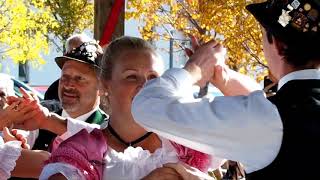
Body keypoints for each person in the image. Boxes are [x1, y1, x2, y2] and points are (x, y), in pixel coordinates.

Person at [131, 0, 320, 179]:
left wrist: (193, 70)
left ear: (278, 45)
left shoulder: (269, 118)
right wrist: (222, 76)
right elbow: (262, 104)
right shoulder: (278, 113)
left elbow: (147, 107)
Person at [12, 36, 219, 179]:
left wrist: (221, 76)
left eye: (153, 78)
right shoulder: (80, 154)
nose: (144, 86)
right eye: (131, 77)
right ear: (104, 85)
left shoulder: (185, 144)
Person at [32, 34, 107, 151]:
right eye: (64, 77)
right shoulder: (37, 125)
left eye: (79, 78)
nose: (68, 84)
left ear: (101, 87)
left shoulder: (108, 131)